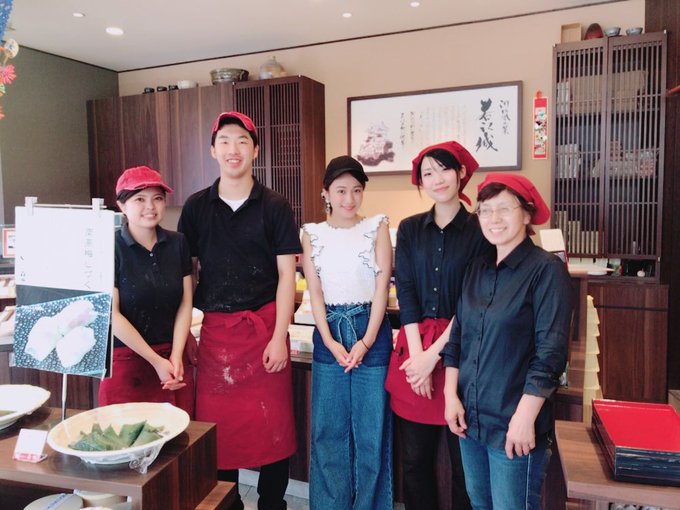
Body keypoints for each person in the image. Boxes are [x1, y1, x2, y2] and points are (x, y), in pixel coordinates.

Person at [177, 112, 300, 510]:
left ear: (256, 150)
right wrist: (185, 333)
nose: (234, 149)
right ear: (213, 151)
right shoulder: (196, 207)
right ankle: (228, 505)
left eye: (243, 141)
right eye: (225, 141)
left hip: (264, 328)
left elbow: (287, 276)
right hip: (216, 334)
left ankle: (272, 504)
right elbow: (185, 277)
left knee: (274, 427)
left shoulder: (275, 206)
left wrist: (280, 336)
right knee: (220, 431)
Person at [442, 173, 572, 510]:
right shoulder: (476, 268)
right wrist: (450, 397)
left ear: (527, 214)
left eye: (504, 209)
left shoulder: (546, 270)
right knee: (479, 504)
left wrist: (524, 418)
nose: (493, 219)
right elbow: (458, 338)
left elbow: (551, 353)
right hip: (470, 421)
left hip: (513, 424)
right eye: (485, 210)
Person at [386, 141, 493, 510]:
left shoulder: (481, 229)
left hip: (461, 351)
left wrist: (433, 357)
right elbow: (406, 293)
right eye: (427, 173)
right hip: (414, 350)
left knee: (465, 466)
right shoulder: (410, 229)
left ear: (461, 172)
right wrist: (417, 358)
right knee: (414, 462)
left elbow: (473, 300)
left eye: (444, 169)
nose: (437, 179)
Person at [301, 156, 393, 510]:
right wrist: (328, 340)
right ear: (325, 193)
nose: (349, 199)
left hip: (372, 330)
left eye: (356, 190)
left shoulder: (377, 226)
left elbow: (382, 287)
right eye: (340, 191)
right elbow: (315, 292)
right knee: (328, 432)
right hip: (330, 333)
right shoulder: (312, 234)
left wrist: (366, 341)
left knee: (371, 433)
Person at [98, 166, 195, 416]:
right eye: (139, 199)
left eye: (157, 198)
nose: (150, 206)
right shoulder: (109, 246)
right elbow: (111, 314)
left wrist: (176, 356)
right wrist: (156, 361)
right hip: (126, 364)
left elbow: (185, 303)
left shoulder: (178, 243)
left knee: (178, 435)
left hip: (173, 364)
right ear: (122, 205)